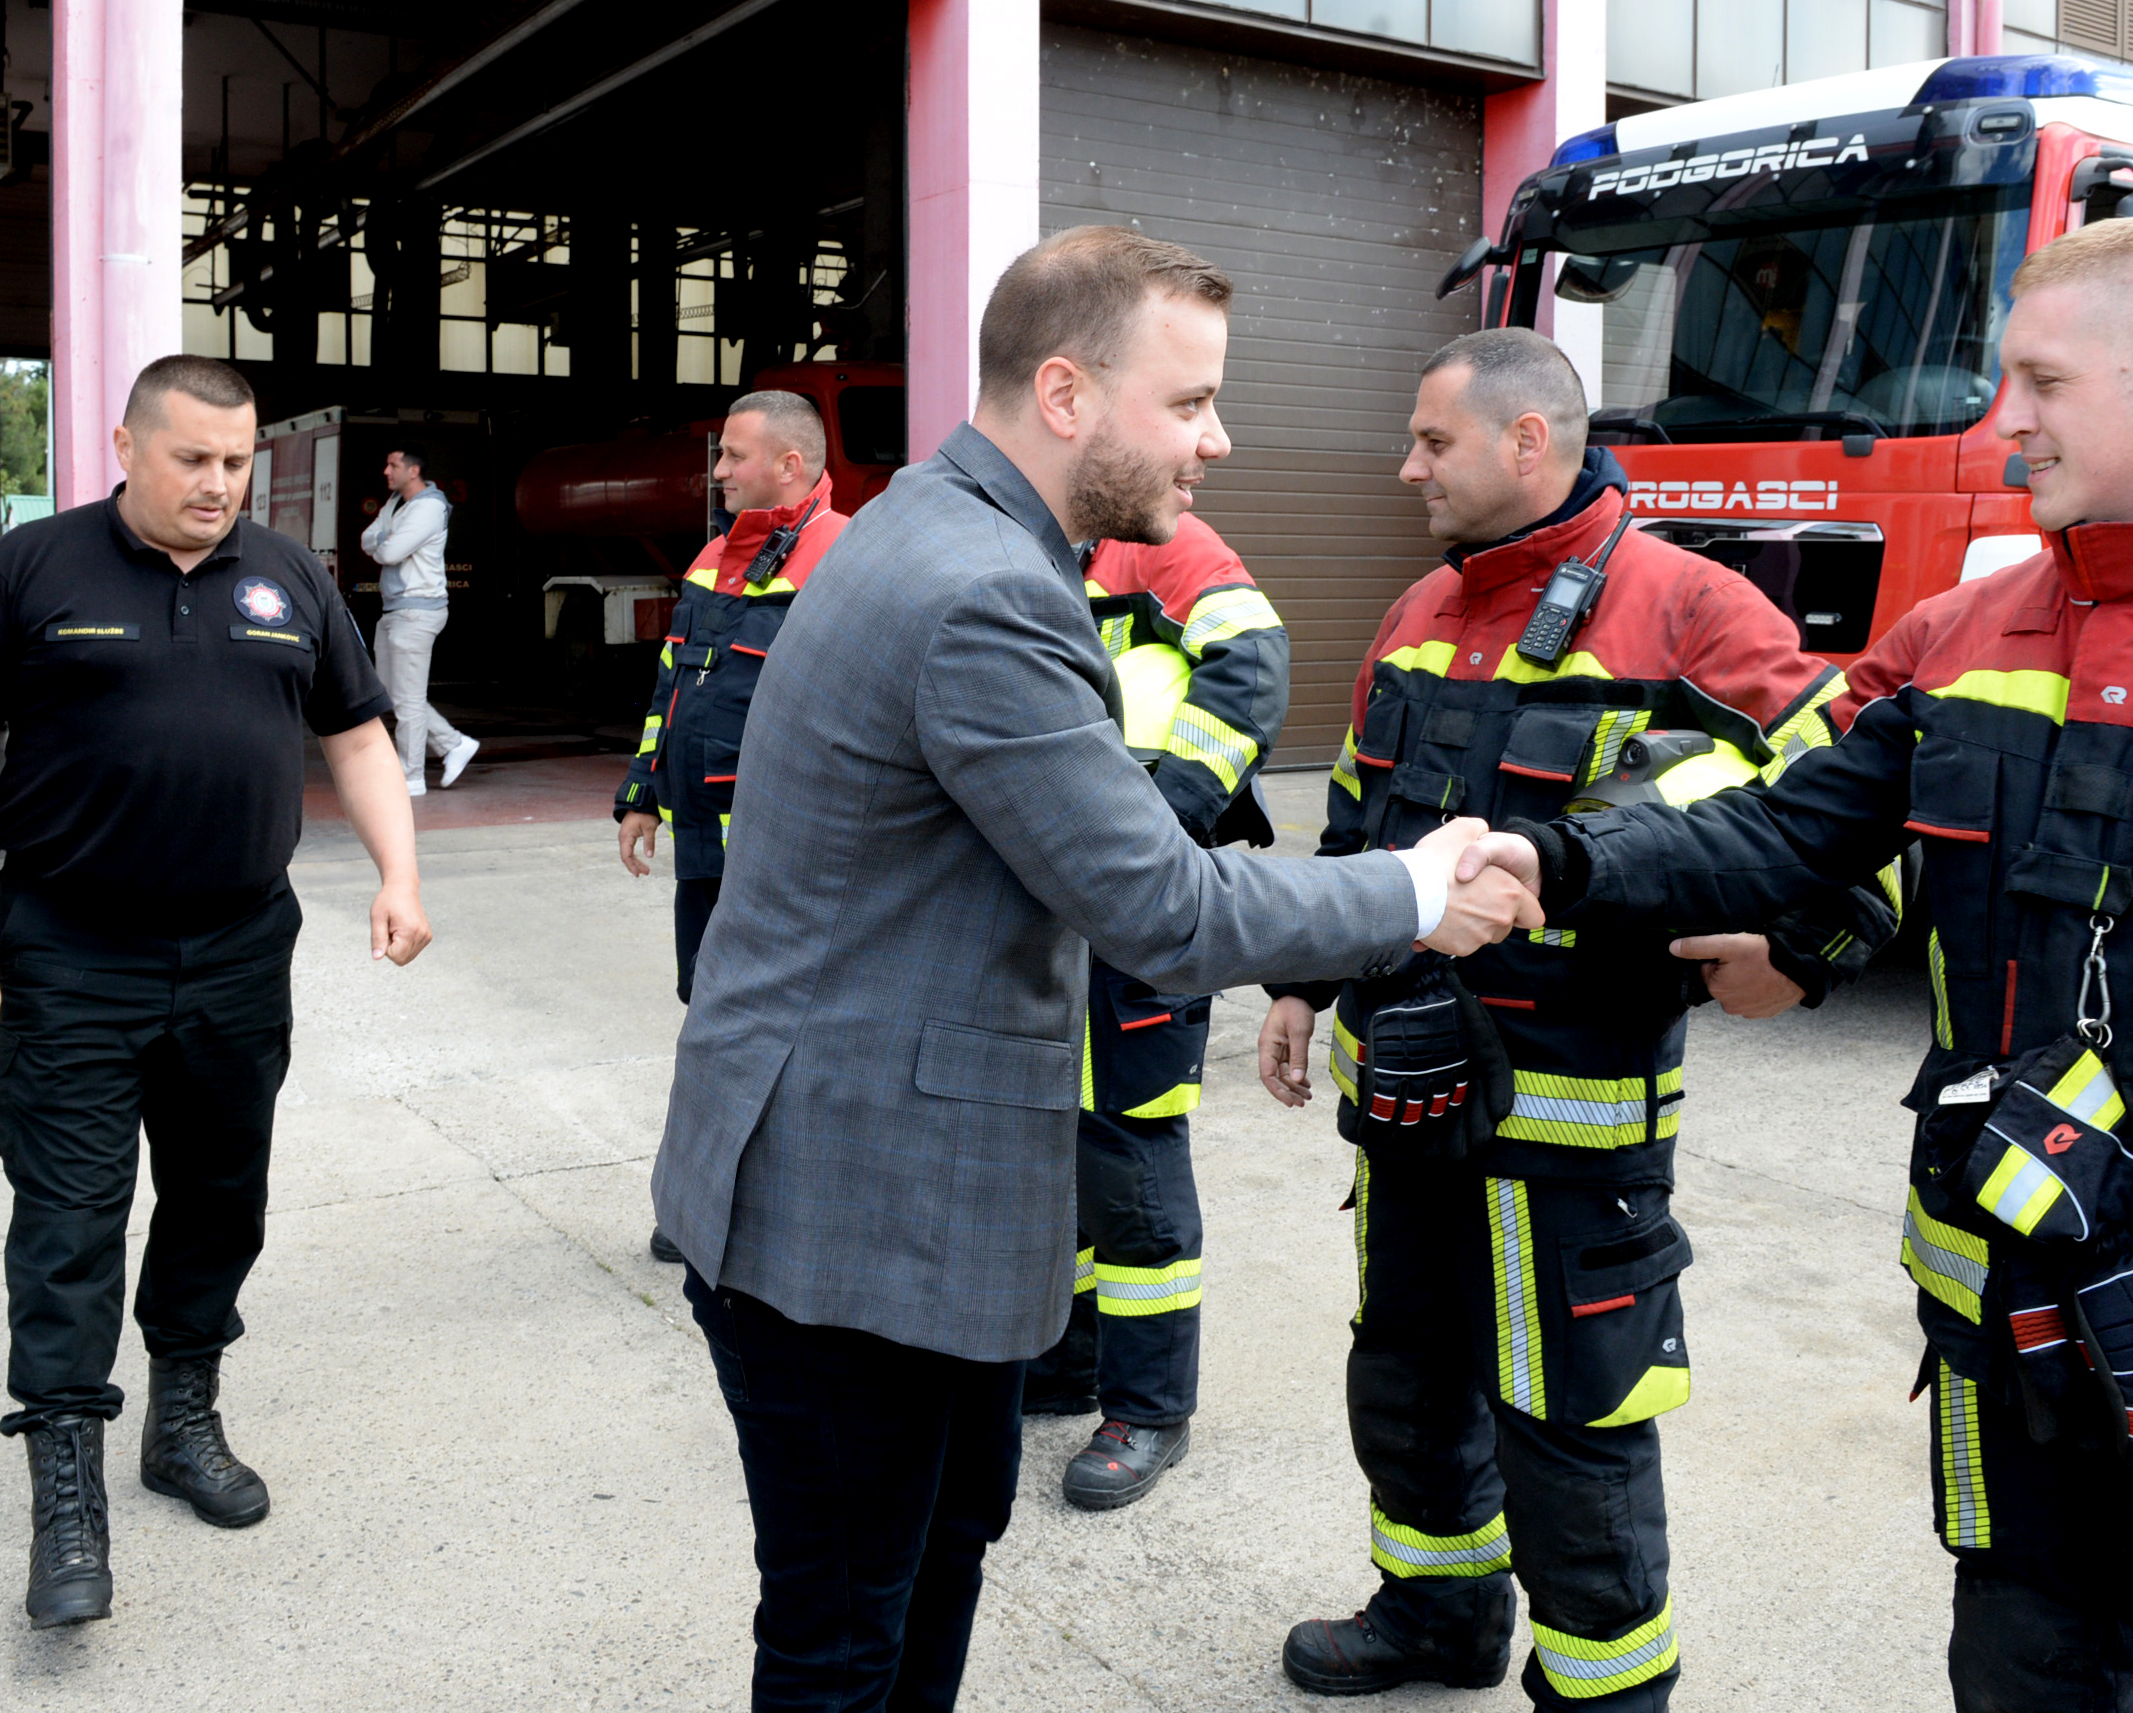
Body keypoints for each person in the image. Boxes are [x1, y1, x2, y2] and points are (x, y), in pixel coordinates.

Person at [1462, 217, 2133, 1710]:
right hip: (2003, 1315)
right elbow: (1784, 833)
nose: (2006, 418)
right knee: (2022, 1662)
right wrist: (1553, 862)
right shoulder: (1956, 634)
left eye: (2036, 380)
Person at [648, 225, 1543, 1712]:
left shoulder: (931, 529)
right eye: (1188, 402)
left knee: (921, 1568)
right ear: (1065, 395)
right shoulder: (984, 589)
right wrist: (1407, 889)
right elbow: (1162, 907)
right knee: (844, 1634)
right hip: (850, 1212)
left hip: (862, 1190)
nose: (1220, 436)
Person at [1253, 328, 1900, 1708]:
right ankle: (1434, 1617)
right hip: (1408, 1106)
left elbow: (1855, 811)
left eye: (1432, 441)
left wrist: (1807, 948)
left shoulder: (1690, 609)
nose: (1406, 464)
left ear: (1524, 441)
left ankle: (1604, 1689)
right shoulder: (1418, 608)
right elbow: (1363, 822)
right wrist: (1302, 982)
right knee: (1408, 1385)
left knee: (1573, 1431)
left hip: (1571, 1135)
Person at [0, 353, 432, 1630]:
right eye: (192, 457)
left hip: (241, 947)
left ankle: (180, 1416)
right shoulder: (32, 570)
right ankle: (66, 1485)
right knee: (72, 1213)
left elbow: (357, 732)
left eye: (237, 460)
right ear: (127, 448)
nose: (218, 482)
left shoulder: (292, 575)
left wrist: (399, 870)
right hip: (70, 951)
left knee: (215, 1195)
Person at [1020, 511, 1292, 1509]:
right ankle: (1070, 1361)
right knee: (1061, 1147)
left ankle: (1150, 1406)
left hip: (1138, 909)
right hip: (1045, 902)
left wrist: (1158, 824)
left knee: (1132, 1154)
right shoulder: (1031, 549)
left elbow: (1253, 662)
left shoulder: (1163, 546)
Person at [617, 391, 847, 1266]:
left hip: (796, 850)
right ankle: (698, 1203)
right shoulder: (715, 555)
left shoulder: (844, 556)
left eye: (732, 457)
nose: (717, 472)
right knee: (707, 1018)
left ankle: (793, 1209)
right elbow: (673, 684)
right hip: (706, 849)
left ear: (790, 465)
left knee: (791, 1031)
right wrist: (642, 791)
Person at [361, 446, 477, 795]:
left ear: (413, 471)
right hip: (395, 610)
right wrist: (386, 541)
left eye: (392, 464)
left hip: (419, 610)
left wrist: (386, 542)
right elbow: (368, 539)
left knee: (408, 699)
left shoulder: (429, 507)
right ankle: (453, 744)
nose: (386, 471)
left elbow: (389, 551)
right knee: (391, 695)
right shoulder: (396, 503)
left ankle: (411, 777)